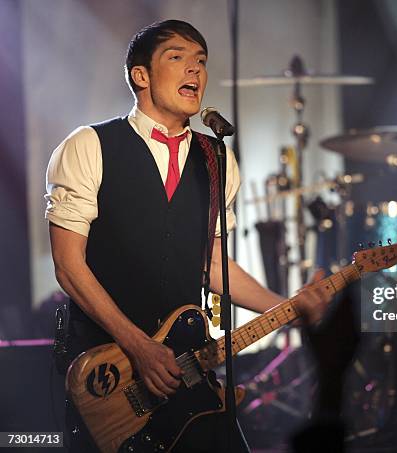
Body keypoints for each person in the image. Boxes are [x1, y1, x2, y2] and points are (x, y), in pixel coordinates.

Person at [45, 19, 329, 453]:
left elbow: (212, 263)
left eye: (200, 61)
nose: (194, 70)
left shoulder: (217, 158)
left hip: (185, 366)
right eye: (176, 58)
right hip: (109, 373)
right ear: (140, 75)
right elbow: (68, 265)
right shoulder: (89, 146)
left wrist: (286, 307)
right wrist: (139, 347)